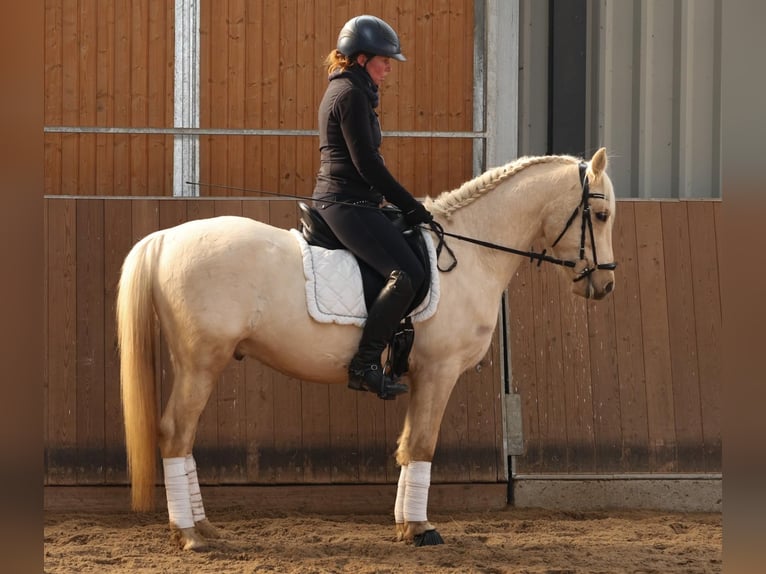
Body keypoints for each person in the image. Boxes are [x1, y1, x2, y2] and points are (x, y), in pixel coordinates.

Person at [312, 15, 433, 400]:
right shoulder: (350, 95)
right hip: (345, 203)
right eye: (383, 61)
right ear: (361, 58)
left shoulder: (351, 90)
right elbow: (367, 164)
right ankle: (364, 364)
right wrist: (410, 205)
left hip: (356, 200)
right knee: (407, 272)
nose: (387, 69)